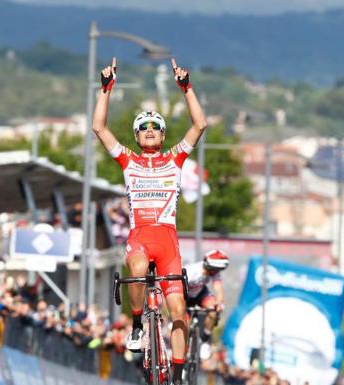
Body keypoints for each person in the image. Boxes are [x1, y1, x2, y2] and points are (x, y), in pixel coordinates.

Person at [93, 56, 207, 384]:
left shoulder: (175, 158)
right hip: (141, 237)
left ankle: (181, 372)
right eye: (143, 127)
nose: (150, 130)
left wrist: (186, 88)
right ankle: (138, 325)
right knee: (138, 271)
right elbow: (99, 128)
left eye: (155, 126)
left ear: (162, 134)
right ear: (137, 136)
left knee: (178, 313)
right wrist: (106, 88)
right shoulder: (128, 161)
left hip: (168, 241)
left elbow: (199, 125)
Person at [184, 250, 229, 342]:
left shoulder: (214, 272)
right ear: (209, 266)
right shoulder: (192, 272)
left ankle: (205, 338)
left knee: (213, 310)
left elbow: (218, 289)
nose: (216, 272)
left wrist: (219, 304)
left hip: (200, 293)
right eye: (215, 269)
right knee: (185, 323)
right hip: (184, 294)